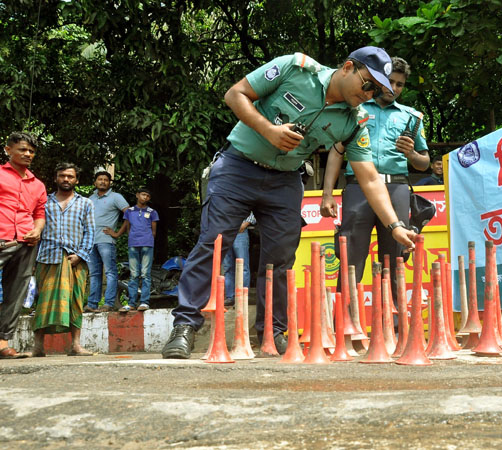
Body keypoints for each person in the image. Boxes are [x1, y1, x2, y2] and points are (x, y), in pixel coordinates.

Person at [161, 46, 416, 359]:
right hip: (238, 167)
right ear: (348, 67)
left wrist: (395, 225)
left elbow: (371, 178)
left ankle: (274, 333)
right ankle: (185, 327)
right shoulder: (295, 69)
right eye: (368, 84)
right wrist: (268, 130)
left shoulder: (353, 122)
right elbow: (235, 95)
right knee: (213, 245)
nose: (369, 94)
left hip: (285, 181)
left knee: (280, 258)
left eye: (377, 90)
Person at [320, 56, 429, 300]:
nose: (394, 88)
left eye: (400, 84)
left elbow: (424, 163)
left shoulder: (411, 116)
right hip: (358, 188)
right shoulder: (353, 108)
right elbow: (337, 152)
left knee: (396, 257)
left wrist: (411, 153)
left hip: (396, 188)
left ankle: (397, 329)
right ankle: (345, 326)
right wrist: (327, 193)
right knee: (351, 256)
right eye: (389, 81)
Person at [32, 162, 95, 357]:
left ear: (77, 180)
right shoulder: (44, 202)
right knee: (43, 301)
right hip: (47, 258)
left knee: (75, 301)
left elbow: (90, 232)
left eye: (70, 176)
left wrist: (81, 255)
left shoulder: (86, 203)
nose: (66, 179)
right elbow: (36, 229)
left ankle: (75, 346)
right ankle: (38, 347)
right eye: (62, 176)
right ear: (55, 178)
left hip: (75, 260)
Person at [0, 132, 46, 359]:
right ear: (8, 150)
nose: (28, 154)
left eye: (31, 151)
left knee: (16, 294)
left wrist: (37, 230)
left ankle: (2, 343)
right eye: (23, 149)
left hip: (26, 243)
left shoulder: (37, 184)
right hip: (2, 238)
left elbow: (39, 214)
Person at [109, 188, 159, 312]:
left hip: (147, 244)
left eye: (147, 196)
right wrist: (117, 234)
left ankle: (144, 302)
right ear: (137, 195)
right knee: (133, 274)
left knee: (145, 274)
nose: (145, 197)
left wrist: (147, 240)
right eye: (143, 194)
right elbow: (127, 227)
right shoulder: (129, 211)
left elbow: (154, 231)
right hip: (133, 244)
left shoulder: (152, 212)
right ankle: (131, 303)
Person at [86, 170, 129, 313]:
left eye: (105, 179)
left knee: (110, 272)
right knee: (94, 273)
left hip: (106, 240)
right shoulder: (90, 198)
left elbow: (129, 214)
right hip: (91, 241)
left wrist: (117, 233)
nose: (103, 181)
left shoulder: (116, 197)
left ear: (109, 182)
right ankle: (92, 304)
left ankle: (109, 303)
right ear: (95, 182)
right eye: (100, 179)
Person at [222, 213, 256, 308]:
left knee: (243, 266)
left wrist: (244, 224)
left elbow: (253, 213)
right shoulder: (222, 199)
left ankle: (243, 296)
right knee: (228, 267)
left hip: (240, 232)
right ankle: (230, 297)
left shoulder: (243, 197)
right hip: (225, 232)